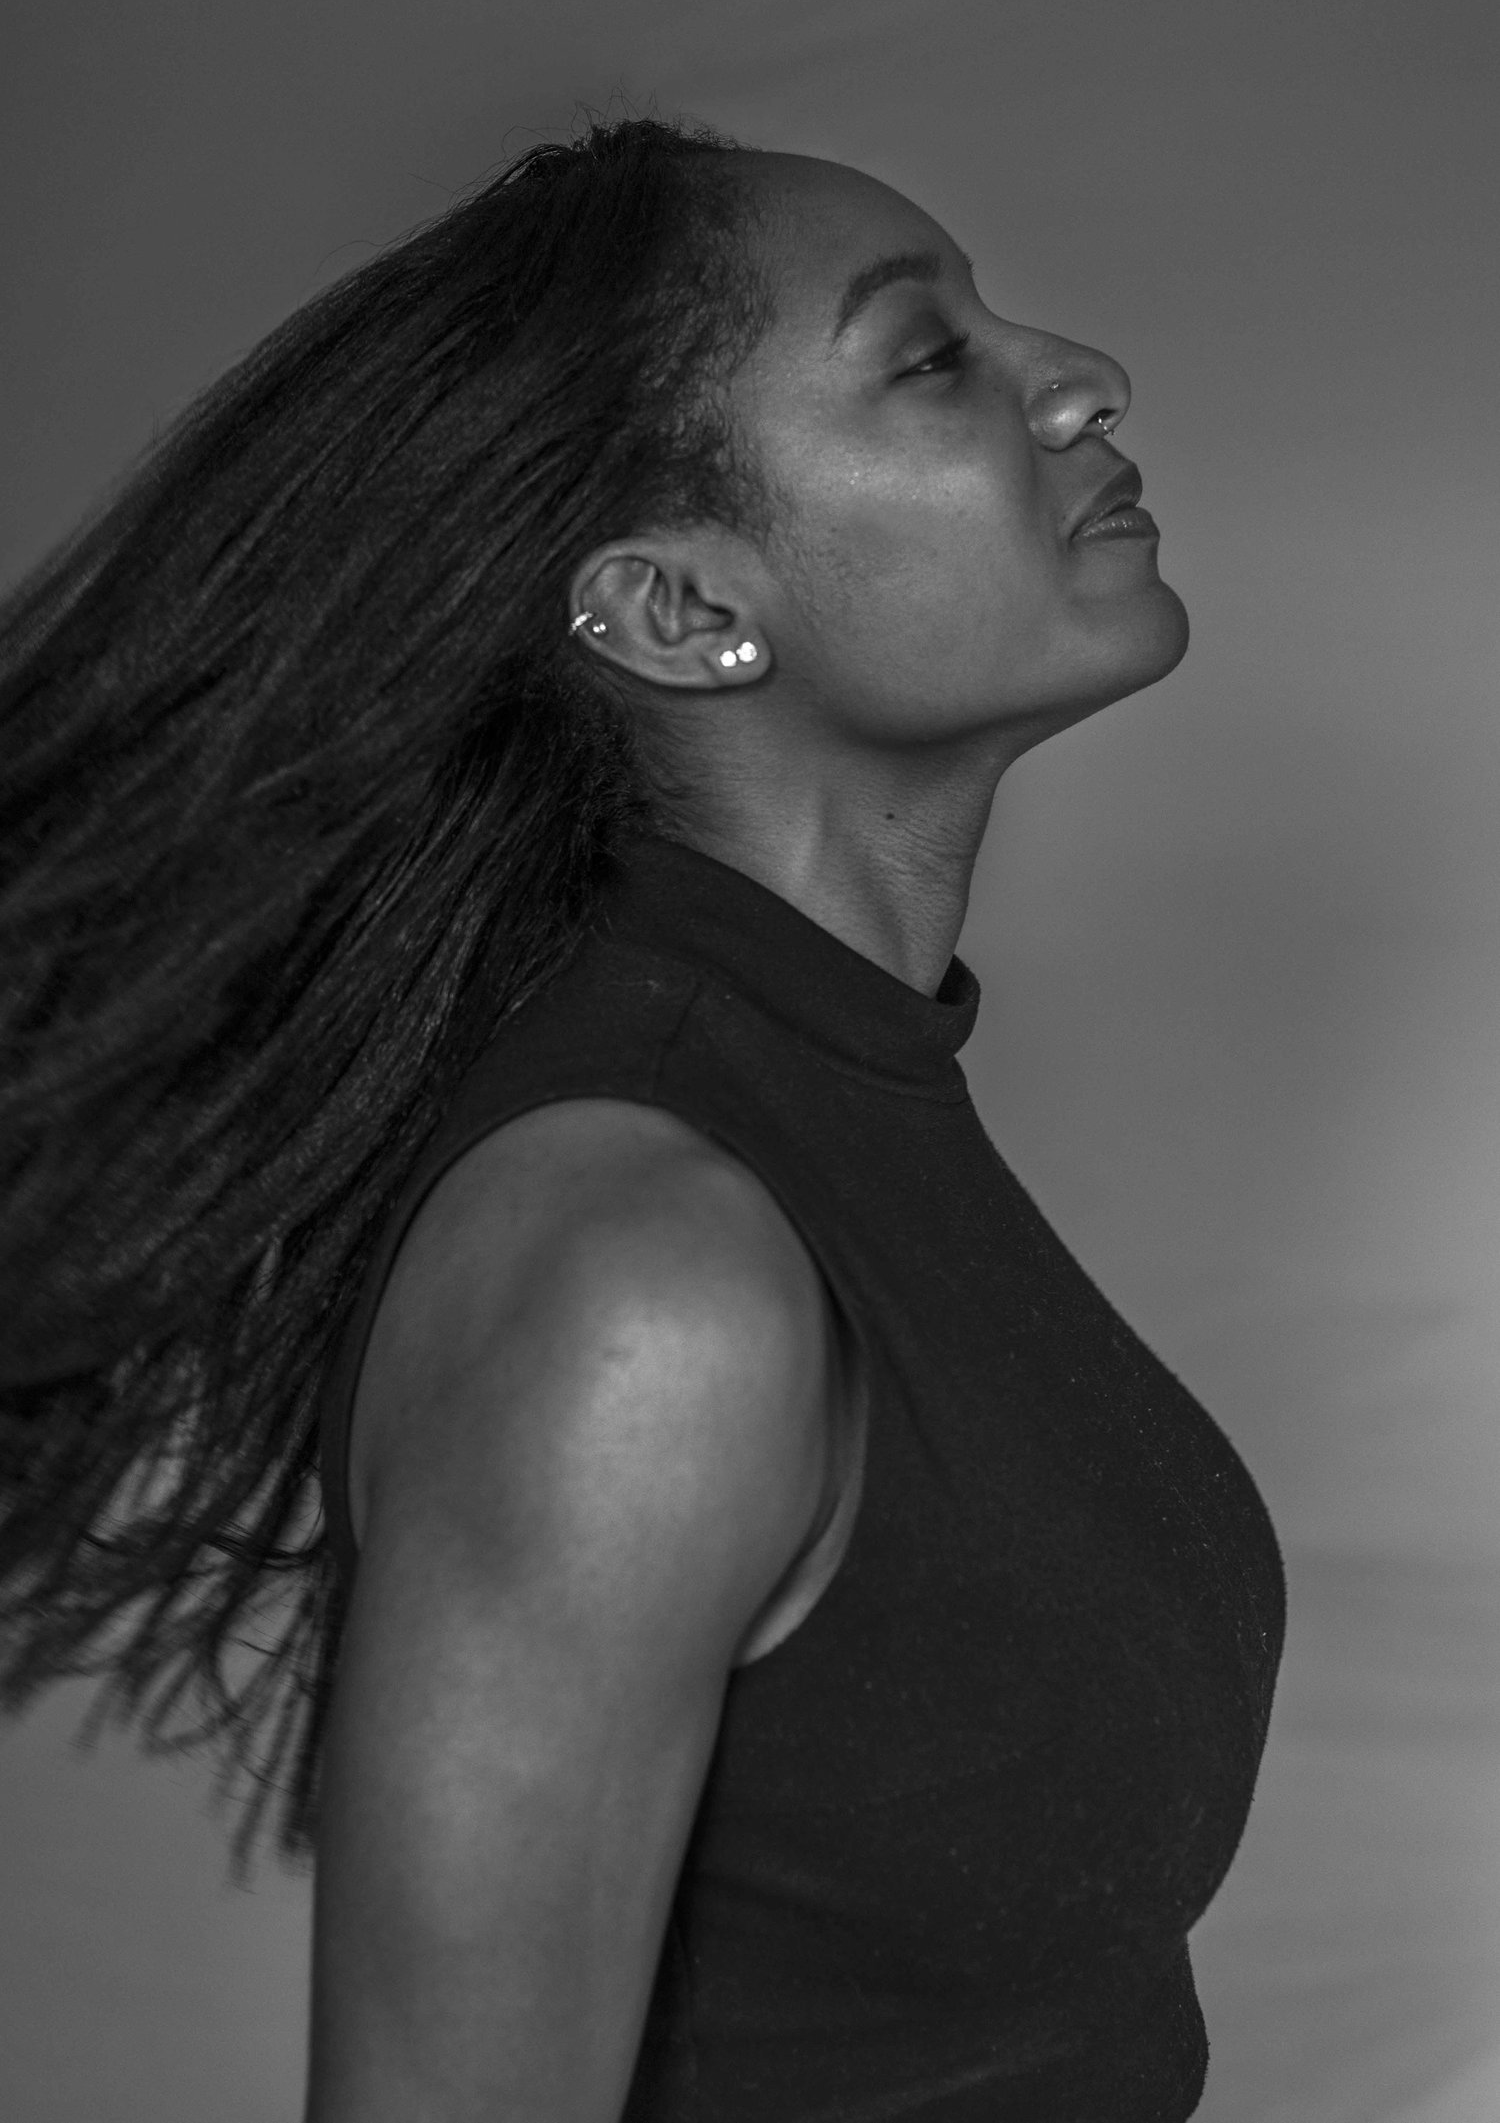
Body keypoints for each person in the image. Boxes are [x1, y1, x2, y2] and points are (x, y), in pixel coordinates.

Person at [0, 113, 1285, 2121]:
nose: (1079, 378)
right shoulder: (641, 1272)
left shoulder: (839, 1095)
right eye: (927, 356)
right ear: (677, 613)